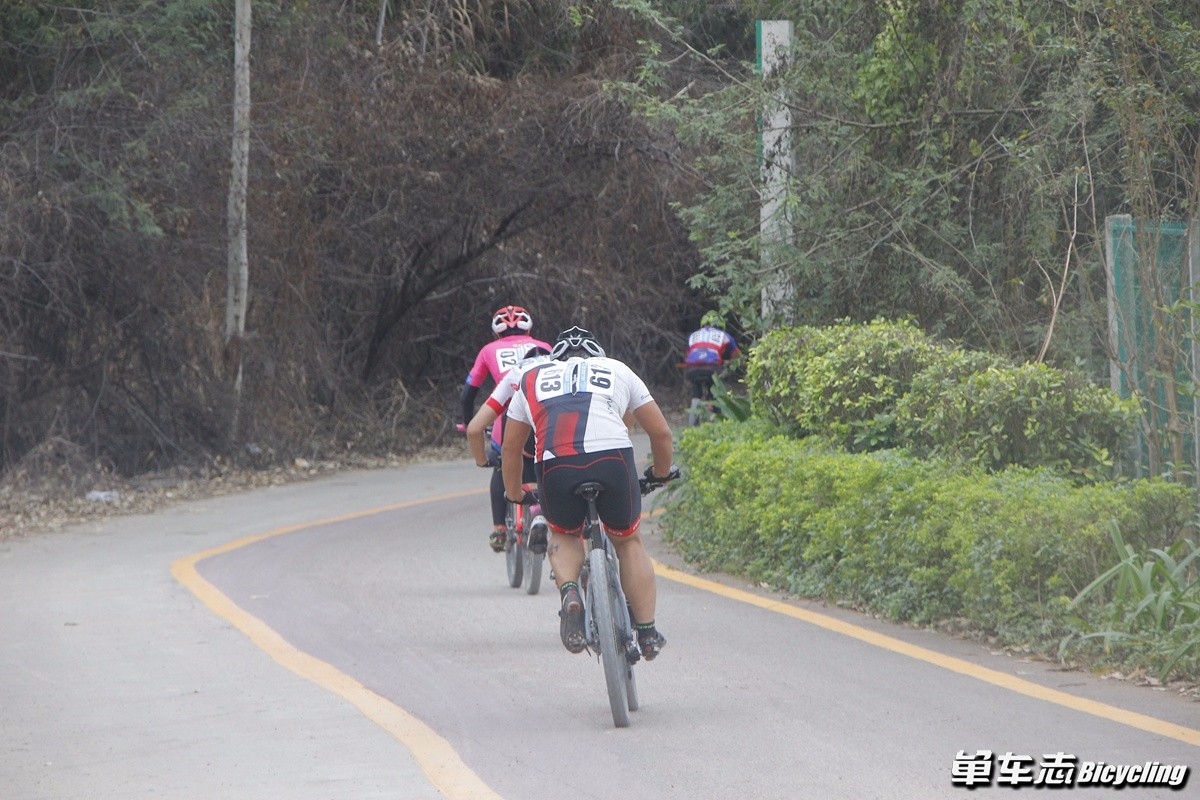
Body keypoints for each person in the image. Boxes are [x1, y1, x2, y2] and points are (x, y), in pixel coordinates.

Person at [501, 326, 678, 661]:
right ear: (597, 355)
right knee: (627, 541)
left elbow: (511, 450)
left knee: (564, 534)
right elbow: (662, 433)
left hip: (556, 464)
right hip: (612, 459)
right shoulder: (617, 369)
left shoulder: (530, 377)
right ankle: (648, 632)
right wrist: (661, 473)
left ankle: (570, 594)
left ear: (556, 358)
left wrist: (514, 494)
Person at [459, 305, 552, 552]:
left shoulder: (488, 350)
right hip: (548, 417)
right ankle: (541, 513)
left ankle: (500, 528)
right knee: (542, 460)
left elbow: (468, 395)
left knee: (501, 464)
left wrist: (468, 423)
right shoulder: (546, 348)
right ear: (529, 329)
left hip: (506, 413)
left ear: (497, 333)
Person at [683, 310, 741, 425]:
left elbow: (690, 354)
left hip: (691, 368)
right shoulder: (724, 335)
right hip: (712, 368)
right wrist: (728, 362)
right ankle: (718, 417)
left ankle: (696, 401)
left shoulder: (693, 335)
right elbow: (737, 356)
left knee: (696, 386)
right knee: (715, 389)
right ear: (721, 325)